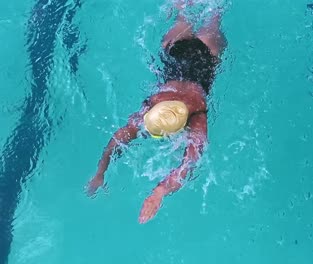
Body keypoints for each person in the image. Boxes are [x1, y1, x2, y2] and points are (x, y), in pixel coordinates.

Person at [86, 1, 226, 224]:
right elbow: (188, 162)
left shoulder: (195, 112)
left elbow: (190, 164)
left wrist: (160, 191)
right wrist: (100, 172)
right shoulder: (158, 104)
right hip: (178, 54)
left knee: (211, 14)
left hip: (205, 56)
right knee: (197, 16)